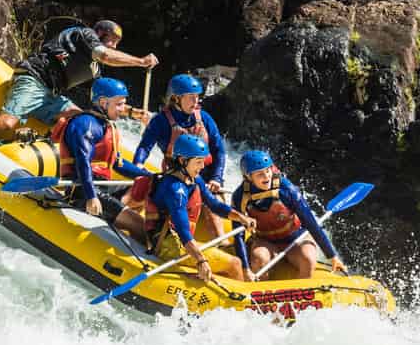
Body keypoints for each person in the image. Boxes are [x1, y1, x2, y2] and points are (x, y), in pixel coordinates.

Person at [0, 20, 158, 137]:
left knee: (81, 119)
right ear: (100, 34)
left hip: (51, 95)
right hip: (34, 78)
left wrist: (136, 113)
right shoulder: (84, 35)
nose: (115, 46)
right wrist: (141, 61)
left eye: (117, 43)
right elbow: (106, 55)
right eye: (112, 40)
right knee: (7, 122)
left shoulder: (94, 69)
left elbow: (106, 103)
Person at [126, 134, 256, 283]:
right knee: (235, 263)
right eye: (198, 162)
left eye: (203, 162)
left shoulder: (194, 179)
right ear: (182, 161)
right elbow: (183, 231)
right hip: (168, 245)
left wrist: (241, 217)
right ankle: (240, 300)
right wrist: (200, 260)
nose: (202, 166)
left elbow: (214, 204)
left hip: (178, 240)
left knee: (230, 257)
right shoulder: (175, 189)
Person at [50, 77, 151, 241]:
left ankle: (120, 218)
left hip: (103, 186)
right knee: (140, 225)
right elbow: (83, 164)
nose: (123, 109)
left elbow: (117, 163)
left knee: (148, 185)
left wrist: (149, 176)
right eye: (119, 104)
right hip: (82, 189)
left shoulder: (105, 124)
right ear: (103, 102)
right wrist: (91, 197)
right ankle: (131, 225)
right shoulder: (86, 124)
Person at [132, 73, 227, 238]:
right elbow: (145, 147)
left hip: (206, 174)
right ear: (176, 98)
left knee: (213, 201)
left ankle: (222, 241)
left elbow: (219, 150)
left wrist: (216, 178)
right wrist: (138, 165)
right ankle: (128, 218)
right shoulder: (160, 121)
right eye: (191, 97)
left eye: (197, 97)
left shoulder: (204, 118)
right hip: (176, 175)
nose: (196, 101)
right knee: (148, 188)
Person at [231, 150, 347, 280]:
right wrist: (246, 269)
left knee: (308, 259)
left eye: (267, 171)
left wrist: (332, 257)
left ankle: (304, 293)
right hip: (265, 241)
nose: (266, 177)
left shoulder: (287, 190)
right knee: (259, 258)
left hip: (296, 238)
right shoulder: (240, 196)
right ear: (248, 177)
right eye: (260, 174)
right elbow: (238, 234)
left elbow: (310, 223)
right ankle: (262, 293)